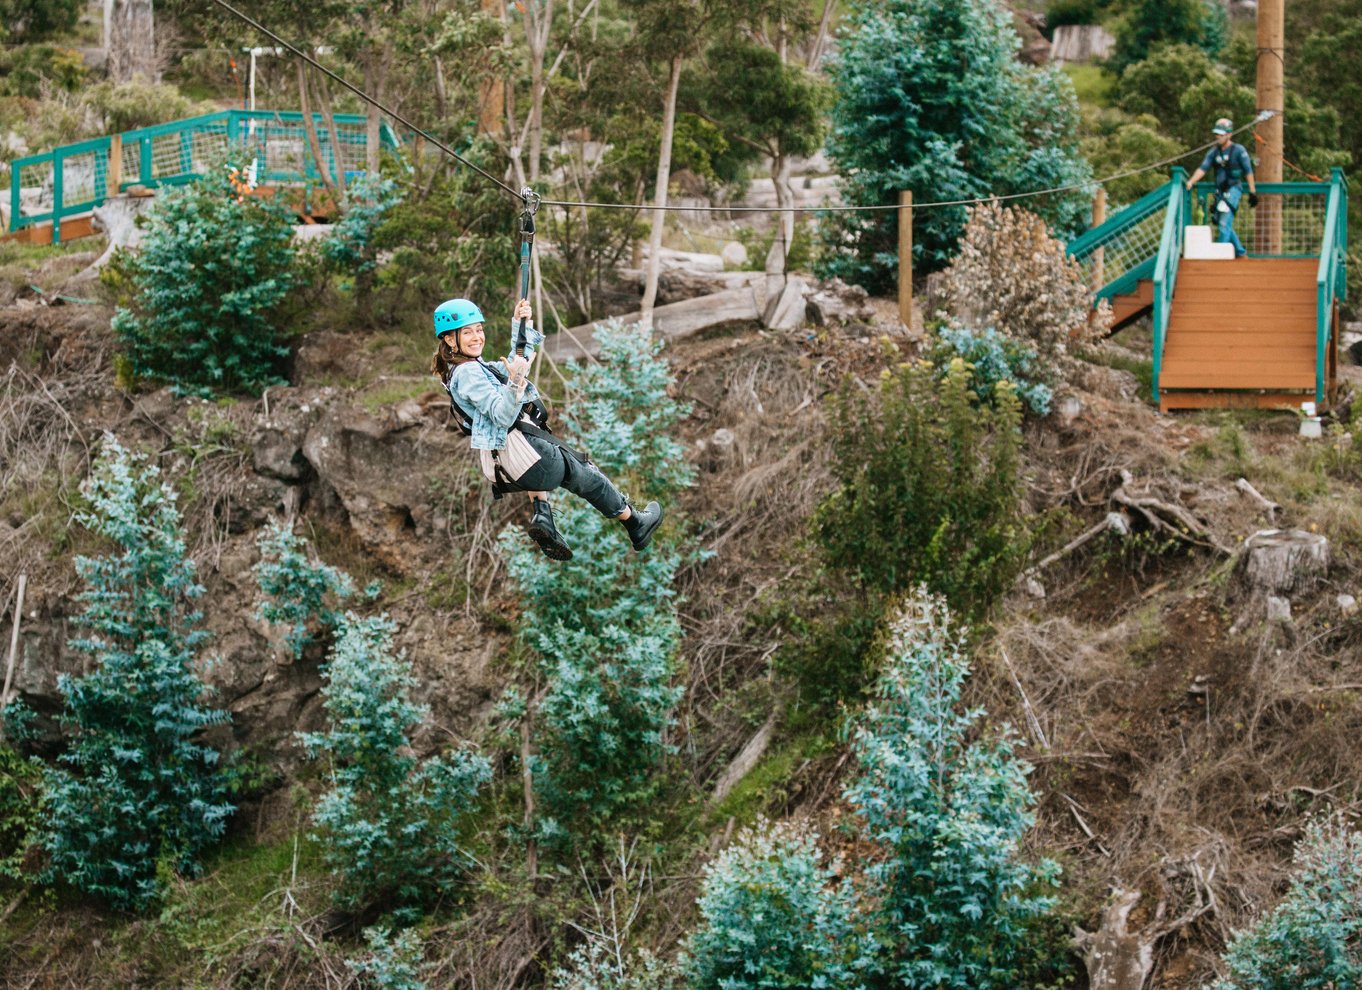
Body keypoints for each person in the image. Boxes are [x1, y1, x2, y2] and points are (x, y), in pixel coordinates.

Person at [430, 296, 664, 561]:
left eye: (479, 330)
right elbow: (503, 414)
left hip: (511, 467)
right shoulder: (468, 373)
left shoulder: (467, 368)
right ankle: (635, 523)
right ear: (450, 340)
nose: (477, 337)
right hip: (529, 457)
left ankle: (544, 517)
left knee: (543, 445)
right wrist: (517, 380)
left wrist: (521, 324)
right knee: (589, 476)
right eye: (467, 332)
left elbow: (515, 362)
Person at [1185, 118, 1259, 258]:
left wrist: (1252, 192)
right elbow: (1203, 168)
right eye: (1217, 134)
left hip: (1233, 189)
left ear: (1229, 134)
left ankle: (1219, 257)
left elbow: (1248, 171)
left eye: (1221, 134)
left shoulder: (1239, 150)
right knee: (1221, 221)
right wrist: (1191, 181)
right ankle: (1241, 252)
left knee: (1224, 222)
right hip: (1220, 192)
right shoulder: (1213, 152)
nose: (1218, 137)